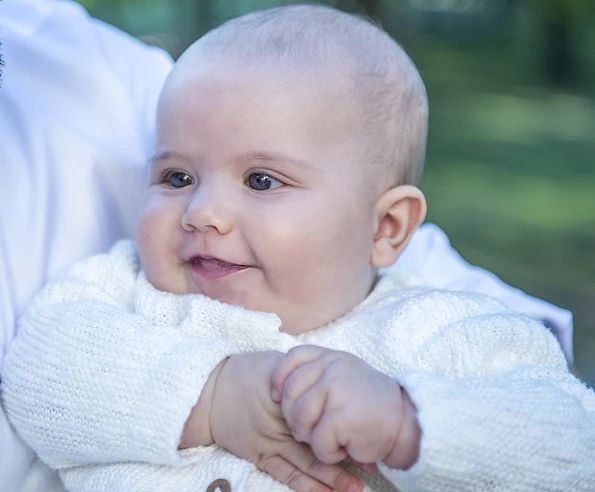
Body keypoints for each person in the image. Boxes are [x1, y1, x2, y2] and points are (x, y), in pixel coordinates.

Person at [3, 5, 593, 492]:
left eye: (262, 181)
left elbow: (572, 444)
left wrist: (410, 423)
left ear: (386, 228)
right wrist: (211, 397)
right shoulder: (121, 293)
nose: (202, 211)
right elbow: (37, 377)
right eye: (177, 177)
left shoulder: (438, 330)